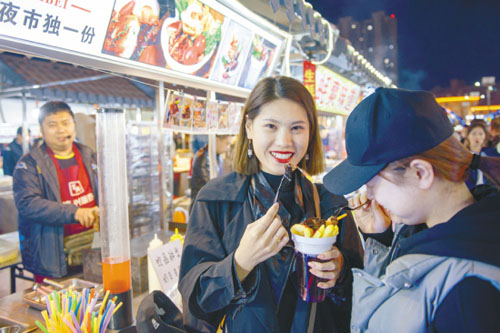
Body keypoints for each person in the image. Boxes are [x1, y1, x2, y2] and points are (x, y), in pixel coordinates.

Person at [179, 76, 363, 332]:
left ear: (311, 133)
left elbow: (360, 297)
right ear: (249, 128)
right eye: (271, 126)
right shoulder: (217, 199)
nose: (285, 141)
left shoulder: (332, 203)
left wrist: (341, 272)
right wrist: (239, 263)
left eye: (297, 128)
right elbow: (195, 299)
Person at [323, 88, 500, 332]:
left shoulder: (469, 294)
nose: (370, 195)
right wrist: (380, 238)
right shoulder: (445, 233)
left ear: (421, 173)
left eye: (372, 184)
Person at [13, 101, 99, 282]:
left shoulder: (88, 154)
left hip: (92, 248)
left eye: (66, 123)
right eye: (52, 125)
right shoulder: (29, 163)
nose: (61, 130)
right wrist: (74, 212)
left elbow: (104, 190)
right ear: (42, 130)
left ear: (74, 125)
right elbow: (27, 204)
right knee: (61, 309)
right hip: (53, 254)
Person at [189, 135, 232, 212]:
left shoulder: (217, 157)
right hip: (201, 210)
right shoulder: (203, 158)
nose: (228, 148)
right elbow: (211, 185)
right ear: (216, 140)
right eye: (227, 144)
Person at [463, 121, 499, 188]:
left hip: (490, 191)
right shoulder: (463, 155)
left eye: (480, 134)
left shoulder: (491, 153)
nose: (477, 137)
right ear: (468, 136)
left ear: (485, 137)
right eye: (474, 134)